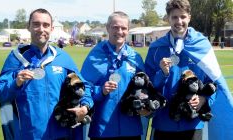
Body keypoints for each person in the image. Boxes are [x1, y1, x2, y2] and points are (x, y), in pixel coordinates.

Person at [0, 8, 93, 140]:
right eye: (36, 24)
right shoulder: (16, 58)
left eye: (46, 25)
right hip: (29, 135)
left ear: (51, 29)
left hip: (62, 134)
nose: (41, 29)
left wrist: (85, 107)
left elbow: (83, 86)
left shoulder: (62, 57)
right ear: (28, 27)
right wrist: (16, 83)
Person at [145, 0, 221, 140]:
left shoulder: (202, 46)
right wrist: (162, 74)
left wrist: (204, 99)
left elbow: (214, 81)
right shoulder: (156, 48)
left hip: (192, 123)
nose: (179, 21)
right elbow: (147, 85)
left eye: (183, 17)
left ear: (189, 17)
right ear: (168, 18)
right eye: (174, 17)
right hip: (164, 123)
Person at [81, 11, 150, 140]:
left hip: (131, 129)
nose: (119, 31)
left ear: (128, 30)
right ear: (107, 28)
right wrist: (101, 91)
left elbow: (146, 87)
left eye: (123, 28)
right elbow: (84, 88)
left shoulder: (135, 57)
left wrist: (145, 102)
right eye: (115, 27)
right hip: (103, 130)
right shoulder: (95, 56)